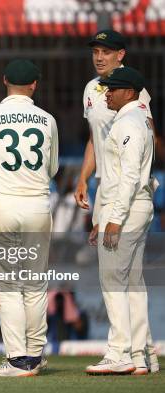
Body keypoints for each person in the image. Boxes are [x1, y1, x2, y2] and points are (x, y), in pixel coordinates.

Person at [74, 29, 159, 374]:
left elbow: (142, 139)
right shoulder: (93, 91)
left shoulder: (136, 98)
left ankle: (120, 352)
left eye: (106, 51)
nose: (99, 56)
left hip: (124, 193)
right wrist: (82, 178)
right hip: (110, 191)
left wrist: (112, 213)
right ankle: (142, 354)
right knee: (132, 280)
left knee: (113, 277)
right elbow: (97, 139)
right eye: (96, 50)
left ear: (120, 55)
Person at [0, 59, 58, 377]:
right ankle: (34, 355)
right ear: (34, 84)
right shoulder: (47, 120)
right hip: (36, 204)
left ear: (4, 79)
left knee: (8, 284)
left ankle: (18, 359)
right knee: (35, 284)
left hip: (3, 205)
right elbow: (52, 169)